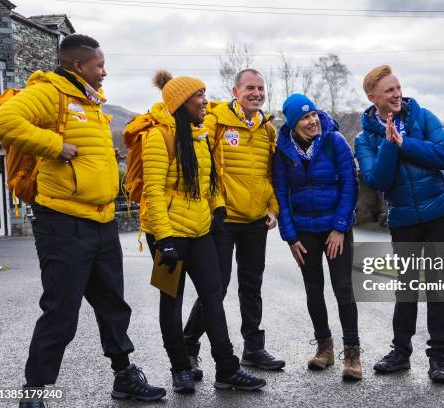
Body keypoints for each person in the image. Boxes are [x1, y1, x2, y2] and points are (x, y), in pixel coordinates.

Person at [0, 34, 166, 407]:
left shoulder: (89, 103)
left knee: (113, 306)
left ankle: (124, 377)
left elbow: (82, 151)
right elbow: (2, 120)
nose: (104, 72)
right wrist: (54, 146)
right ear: (77, 66)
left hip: (101, 222)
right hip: (63, 223)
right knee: (61, 312)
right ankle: (34, 392)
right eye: (99, 65)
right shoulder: (51, 92)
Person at [140, 70, 266, 393]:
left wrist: (219, 206)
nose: (205, 101)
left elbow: (208, 182)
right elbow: (153, 192)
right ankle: (180, 367)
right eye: (199, 95)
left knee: (213, 296)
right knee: (171, 301)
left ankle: (227, 368)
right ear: (182, 101)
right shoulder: (158, 137)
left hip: (200, 232)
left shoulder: (199, 136)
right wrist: (164, 240)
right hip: (166, 236)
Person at [354, 65, 444, 383]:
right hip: (404, 221)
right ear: (374, 98)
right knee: (407, 288)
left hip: (440, 214)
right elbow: (377, 179)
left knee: (438, 289)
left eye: (398, 87)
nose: (397, 94)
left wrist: (404, 143)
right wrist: (388, 144)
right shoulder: (364, 139)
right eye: (389, 91)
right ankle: (401, 353)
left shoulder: (423, 117)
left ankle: (438, 358)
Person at [182, 69, 285, 371]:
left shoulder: (267, 128)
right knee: (217, 286)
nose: (256, 93)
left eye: (261, 88)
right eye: (250, 88)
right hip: (223, 219)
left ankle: (253, 348)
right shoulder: (216, 121)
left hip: (256, 220)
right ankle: (189, 346)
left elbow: (270, 173)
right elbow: (198, 158)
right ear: (235, 91)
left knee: (252, 286)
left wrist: (273, 208)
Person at [272, 93, 361, 380]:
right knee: (313, 290)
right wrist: (290, 236)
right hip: (304, 232)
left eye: (313, 115)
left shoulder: (335, 141)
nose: (312, 122)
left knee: (343, 289)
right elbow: (281, 195)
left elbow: (351, 185)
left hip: (336, 229)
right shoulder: (283, 151)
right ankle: (325, 349)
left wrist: (339, 227)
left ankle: (352, 354)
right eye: (304, 118)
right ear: (293, 123)